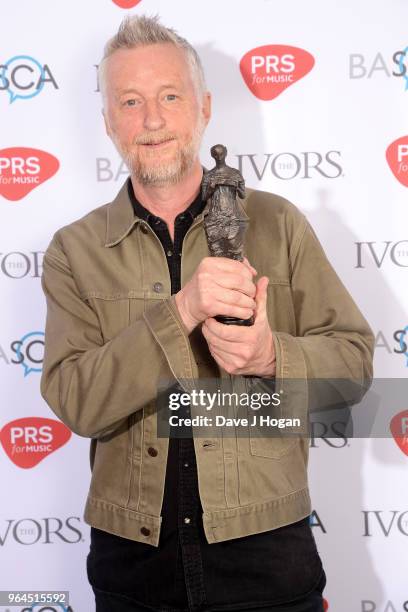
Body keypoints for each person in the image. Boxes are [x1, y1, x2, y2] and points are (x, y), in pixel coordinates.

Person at [40, 14, 374, 612]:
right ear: (108, 121)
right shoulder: (75, 249)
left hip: (268, 553)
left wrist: (275, 356)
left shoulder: (278, 223)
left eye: (170, 96)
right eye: (131, 101)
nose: (152, 119)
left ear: (205, 107)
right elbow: (76, 401)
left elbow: (353, 366)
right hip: (132, 562)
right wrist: (182, 309)